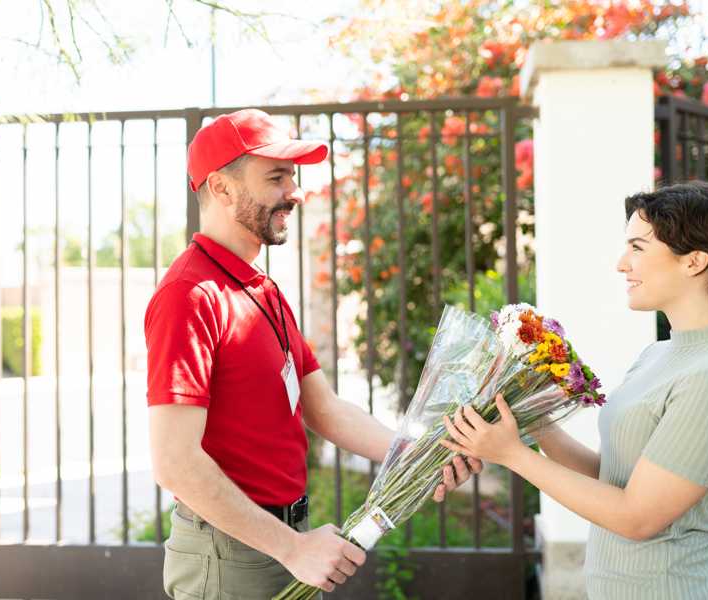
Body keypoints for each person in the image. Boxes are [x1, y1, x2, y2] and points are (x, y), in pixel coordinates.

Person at [145, 109, 481, 600]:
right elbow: (174, 462)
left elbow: (325, 409)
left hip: (277, 543)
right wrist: (291, 548)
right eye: (277, 177)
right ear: (220, 188)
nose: (295, 192)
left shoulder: (262, 289)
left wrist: (422, 454)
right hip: (234, 556)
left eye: (294, 178)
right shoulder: (190, 294)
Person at [441, 182, 708, 599]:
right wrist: (532, 419)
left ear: (695, 261)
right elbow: (611, 481)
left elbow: (637, 517)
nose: (621, 264)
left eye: (638, 247)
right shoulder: (659, 355)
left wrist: (510, 455)